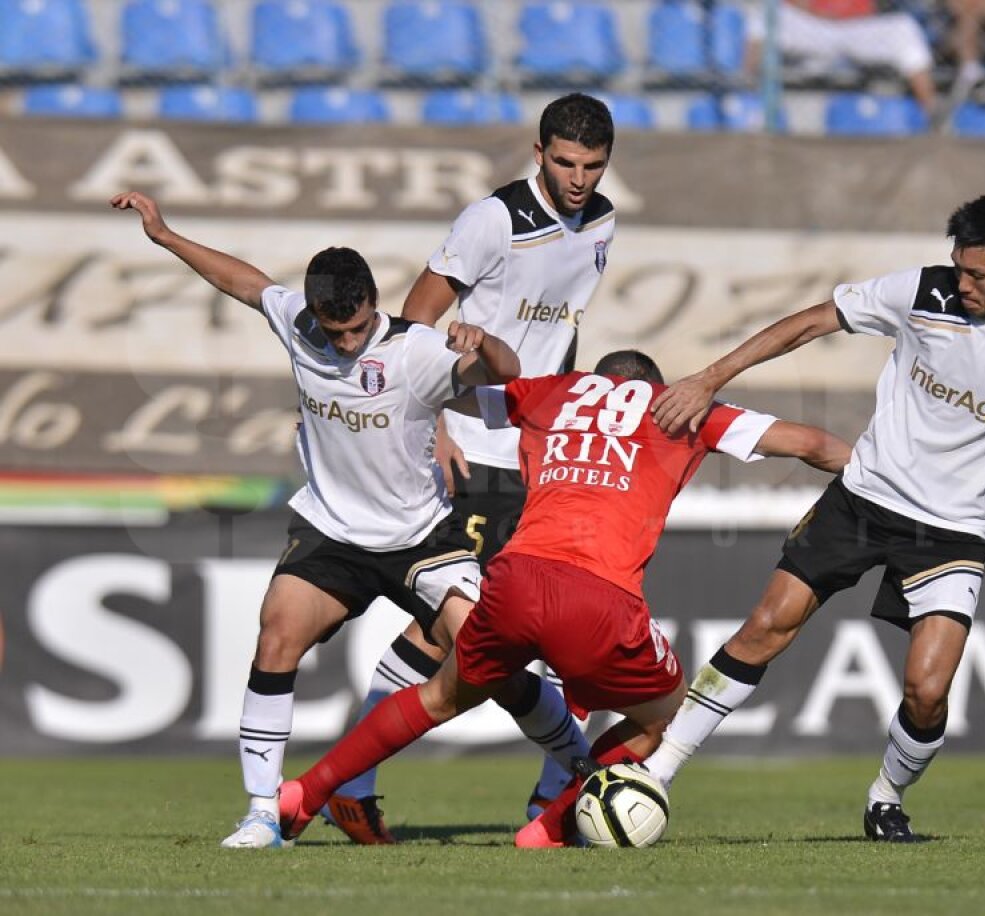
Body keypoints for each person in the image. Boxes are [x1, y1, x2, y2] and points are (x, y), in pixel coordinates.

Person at [644, 191, 985, 842]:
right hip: (863, 499)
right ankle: (658, 772)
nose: (961, 284)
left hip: (952, 532)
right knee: (766, 624)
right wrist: (711, 377)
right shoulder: (920, 293)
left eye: (978, 276)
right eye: (958, 267)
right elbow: (808, 324)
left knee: (927, 691)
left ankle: (886, 796)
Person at [111, 190, 571, 850]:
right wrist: (166, 236)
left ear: (371, 304)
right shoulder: (300, 325)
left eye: (357, 329)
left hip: (420, 539)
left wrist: (485, 341)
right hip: (331, 532)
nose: (348, 343)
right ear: (317, 314)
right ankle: (263, 815)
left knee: (491, 662)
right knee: (276, 637)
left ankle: (580, 768)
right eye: (337, 333)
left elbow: (506, 372)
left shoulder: (414, 352)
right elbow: (245, 283)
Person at [274, 350, 853, 848]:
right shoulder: (681, 407)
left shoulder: (553, 391)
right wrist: (878, 483)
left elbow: (446, 395)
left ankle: (306, 792)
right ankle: (549, 827)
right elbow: (812, 444)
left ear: (596, 379)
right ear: (649, 383)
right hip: (600, 596)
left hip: (514, 579)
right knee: (668, 715)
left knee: (440, 694)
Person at [328, 91, 619, 836]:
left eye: (591, 165)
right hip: (480, 450)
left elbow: (557, 337)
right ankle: (352, 781)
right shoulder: (493, 220)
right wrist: (430, 427)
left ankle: (552, 790)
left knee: (563, 623)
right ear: (537, 153)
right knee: (450, 630)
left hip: (541, 457)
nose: (578, 179)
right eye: (564, 162)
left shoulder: (602, 222)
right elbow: (411, 322)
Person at [745, 0, 939, 117]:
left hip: (858, 28)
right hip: (814, 26)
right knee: (762, 17)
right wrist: (818, 12)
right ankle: (747, 99)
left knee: (904, 28)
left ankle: (933, 116)